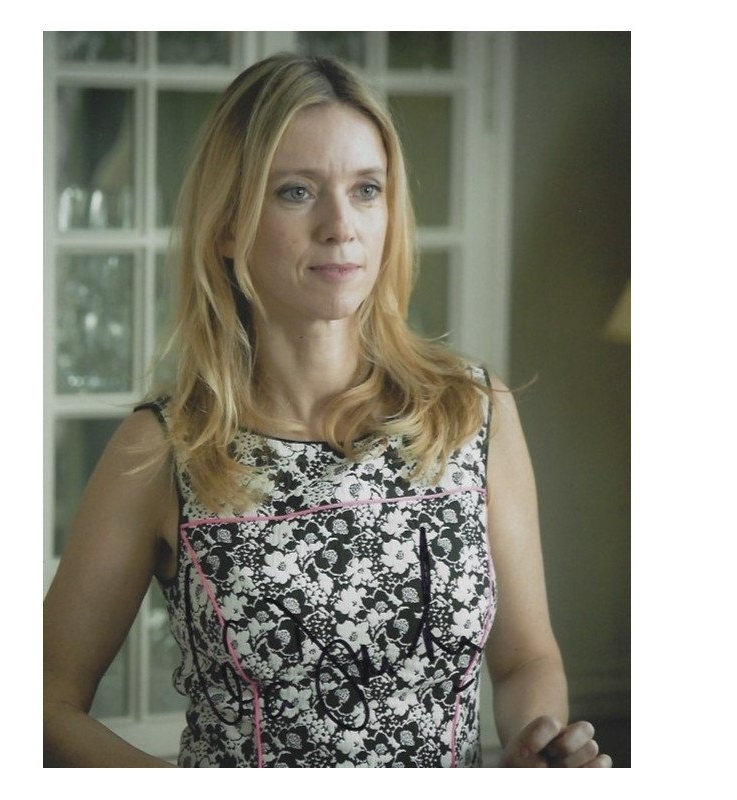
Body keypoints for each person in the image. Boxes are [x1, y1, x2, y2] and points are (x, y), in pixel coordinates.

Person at [43, 53, 612, 768]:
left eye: (366, 190)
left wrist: (539, 745)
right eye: (296, 192)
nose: (340, 225)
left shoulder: (471, 411)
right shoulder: (165, 447)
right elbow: (42, 702)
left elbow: (527, 660)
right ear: (227, 225)